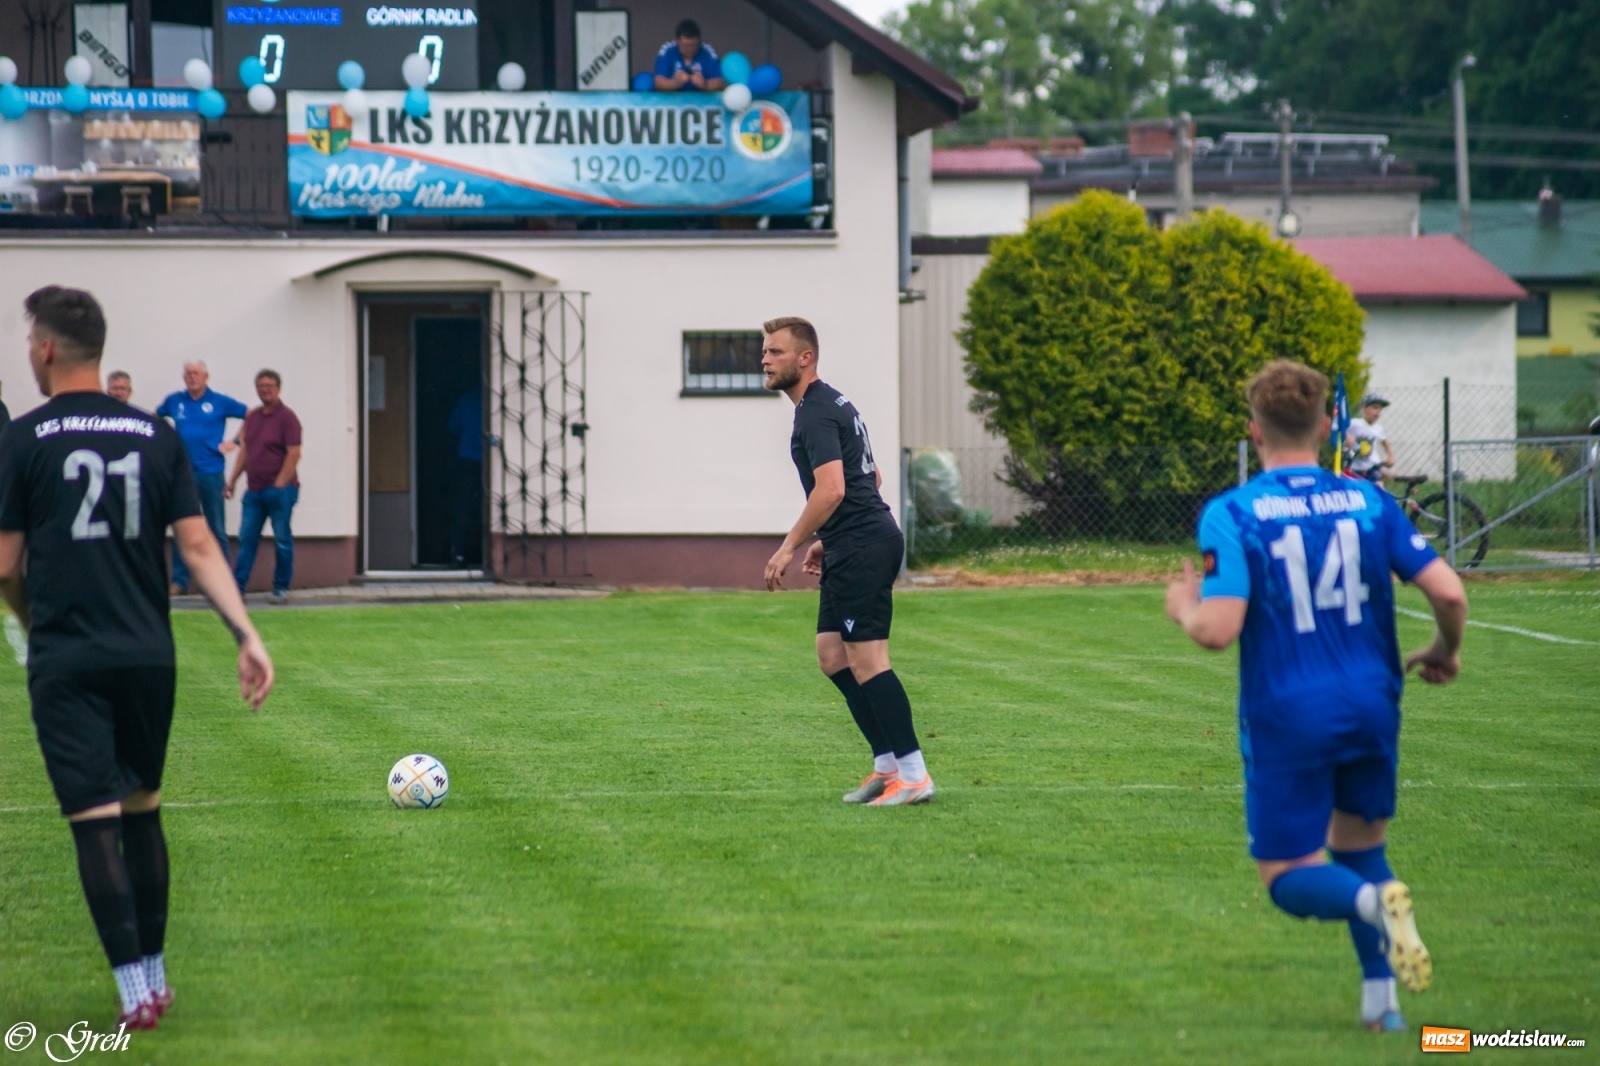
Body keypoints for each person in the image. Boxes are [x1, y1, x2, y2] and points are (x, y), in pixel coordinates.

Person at [1165, 360, 1468, 1033]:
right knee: (1360, 844)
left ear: (1253, 428)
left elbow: (1219, 630)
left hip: (1287, 711)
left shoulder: (1234, 513)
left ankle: (1370, 904)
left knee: (1286, 877)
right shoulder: (1369, 501)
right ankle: (1381, 1006)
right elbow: (1448, 590)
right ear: (1329, 423)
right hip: (1372, 704)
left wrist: (1184, 607)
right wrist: (1445, 650)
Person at [0, 285, 273, 1031]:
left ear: (47, 348)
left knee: (95, 823)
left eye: (30, 341)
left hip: (70, 656)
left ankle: (132, 990)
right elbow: (196, 545)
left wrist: (32, 623)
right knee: (144, 814)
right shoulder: (154, 434)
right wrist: (246, 633)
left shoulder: (21, 440)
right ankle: (154, 973)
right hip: (148, 654)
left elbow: (4, 564)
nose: (29, 351)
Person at [760, 316, 933, 806]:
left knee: (868, 660)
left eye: (775, 352)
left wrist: (791, 544)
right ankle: (887, 767)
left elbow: (833, 488)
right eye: (765, 351)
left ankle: (915, 774)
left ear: (804, 358)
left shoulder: (815, 412)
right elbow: (870, 478)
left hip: (863, 544)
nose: (765, 360)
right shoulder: (831, 403)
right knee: (832, 655)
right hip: (850, 540)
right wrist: (825, 537)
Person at [156, 362, 248, 595]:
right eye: (187, 373)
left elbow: (252, 416)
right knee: (182, 527)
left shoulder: (219, 401)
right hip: (182, 474)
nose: (192, 377)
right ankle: (180, 581)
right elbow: (155, 418)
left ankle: (224, 580)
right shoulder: (174, 401)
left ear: (206, 376)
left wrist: (235, 442)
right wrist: (166, 444)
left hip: (211, 473)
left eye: (196, 373)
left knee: (215, 528)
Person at [226, 369, 301, 604]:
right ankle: (238, 588)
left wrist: (279, 483)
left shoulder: (288, 417)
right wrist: (232, 481)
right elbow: (245, 450)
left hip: (280, 490)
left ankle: (280, 587)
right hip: (254, 491)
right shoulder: (253, 417)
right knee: (246, 538)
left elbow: (294, 453)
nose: (265, 390)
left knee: (282, 540)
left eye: (269, 385)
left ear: (278, 388)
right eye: (261, 386)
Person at [446, 385, 483, 568]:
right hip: (489, 461)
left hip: (467, 459)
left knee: (464, 507)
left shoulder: (466, 399)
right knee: (489, 508)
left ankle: (459, 555)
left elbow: (453, 428)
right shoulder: (491, 399)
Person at [653, 19, 727, 92]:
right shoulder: (667, 51)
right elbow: (658, 82)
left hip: (702, 101)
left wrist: (705, 84)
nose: (690, 49)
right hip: (673, 100)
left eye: (694, 45)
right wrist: (675, 83)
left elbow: (719, 82)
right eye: (686, 46)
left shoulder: (707, 52)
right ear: (677, 41)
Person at [1346, 392, 1394, 485]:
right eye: (1374, 408)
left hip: (1371, 466)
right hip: (1354, 467)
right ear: (1364, 409)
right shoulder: (1354, 423)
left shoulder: (1379, 428)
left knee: (1379, 489)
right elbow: (1340, 429)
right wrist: (1348, 439)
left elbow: (1385, 441)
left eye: (1380, 409)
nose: (1377, 411)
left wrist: (1390, 456)